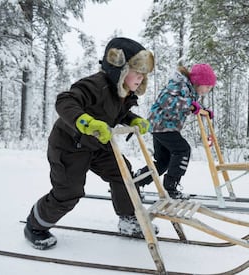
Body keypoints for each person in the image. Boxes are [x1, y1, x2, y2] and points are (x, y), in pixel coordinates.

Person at [24, 37, 157, 250]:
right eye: (137, 71)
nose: (141, 77)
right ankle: (35, 226)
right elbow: (65, 101)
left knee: (123, 174)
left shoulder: (122, 91)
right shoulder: (96, 84)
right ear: (119, 68)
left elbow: (116, 112)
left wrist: (133, 119)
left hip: (97, 145)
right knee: (68, 193)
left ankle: (128, 219)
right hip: (70, 145)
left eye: (144, 74)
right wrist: (85, 122)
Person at [135, 63, 216, 199]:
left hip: (162, 126)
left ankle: (136, 181)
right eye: (207, 86)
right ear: (198, 81)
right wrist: (190, 106)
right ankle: (170, 187)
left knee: (163, 161)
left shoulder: (190, 90)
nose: (208, 90)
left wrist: (202, 110)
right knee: (183, 150)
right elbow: (166, 101)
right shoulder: (178, 84)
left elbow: (190, 103)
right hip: (162, 125)